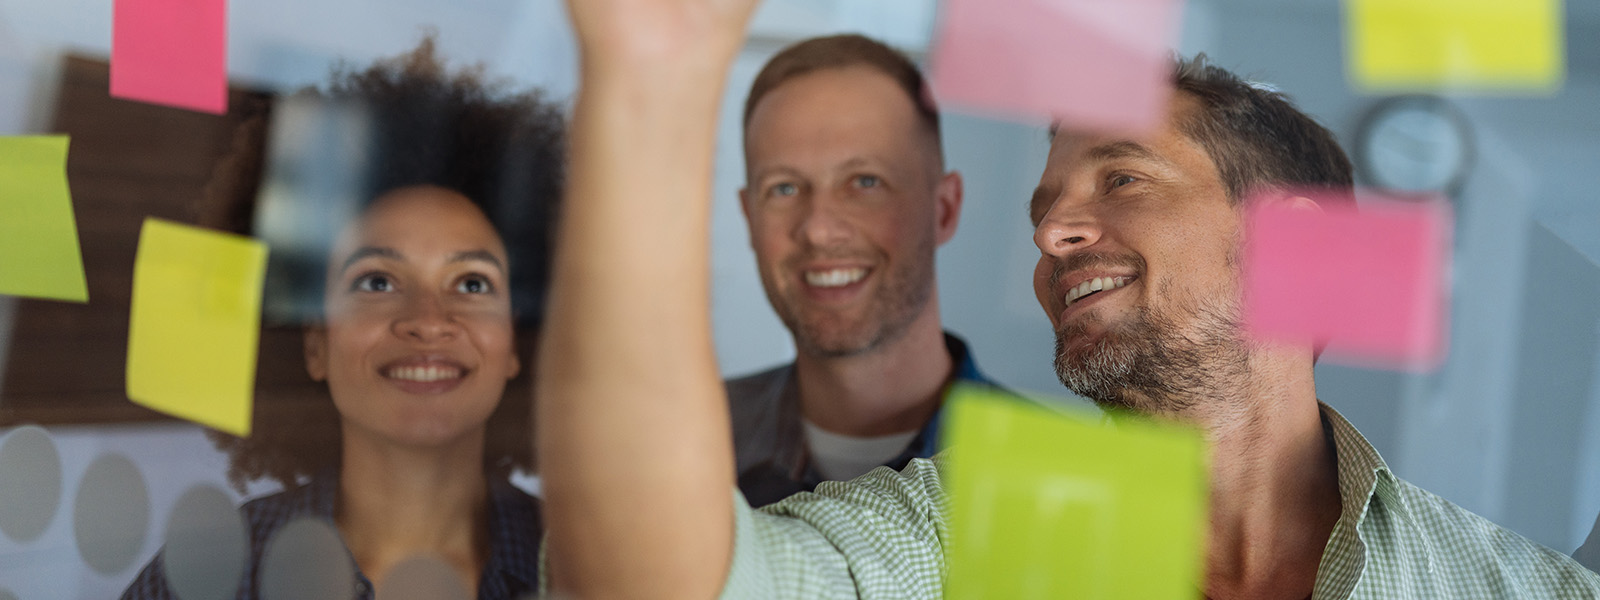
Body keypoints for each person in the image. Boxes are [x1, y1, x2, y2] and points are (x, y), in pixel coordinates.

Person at [538, 2, 1600, 596]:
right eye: (1045, 205)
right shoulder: (972, 532)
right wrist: (653, 68)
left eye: (1122, 181)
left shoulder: (1523, 591)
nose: (1049, 234)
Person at [122, 40, 564, 600]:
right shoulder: (213, 574)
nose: (429, 321)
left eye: (473, 284)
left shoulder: (587, 564)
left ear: (516, 345)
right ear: (314, 343)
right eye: (377, 282)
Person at [729, 33, 1008, 506]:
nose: (818, 229)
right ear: (749, 218)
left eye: (864, 182)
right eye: (783, 189)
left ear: (943, 210)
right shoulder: (673, 442)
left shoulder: (1062, 476)